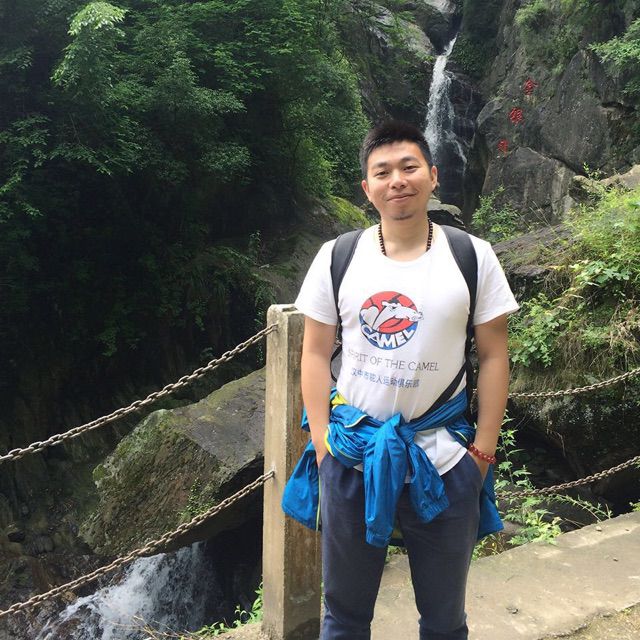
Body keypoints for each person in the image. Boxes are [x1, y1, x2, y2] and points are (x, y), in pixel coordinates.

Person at [283, 121, 519, 639]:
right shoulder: (338, 256)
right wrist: (322, 443)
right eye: (382, 172)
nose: (398, 180)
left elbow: (493, 354)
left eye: (409, 167)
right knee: (343, 617)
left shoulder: (472, 256)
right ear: (366, 188)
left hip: (445, 458)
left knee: (444, 620)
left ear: (433, 176)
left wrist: (482, 453)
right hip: (352, 453)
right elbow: (315, 352)